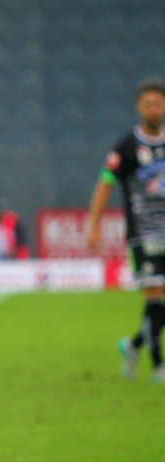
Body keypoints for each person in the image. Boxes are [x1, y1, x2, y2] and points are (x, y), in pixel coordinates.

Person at [87, 78, 165, 382]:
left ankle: (133, 346)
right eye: (148, 104)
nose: (153, 109)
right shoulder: (126, 147)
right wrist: (94, 225)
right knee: (155, 295)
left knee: (158, 302)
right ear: (138, 107)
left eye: (157, 103)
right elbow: (105, 184)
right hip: (143, 234)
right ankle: (159, 367)